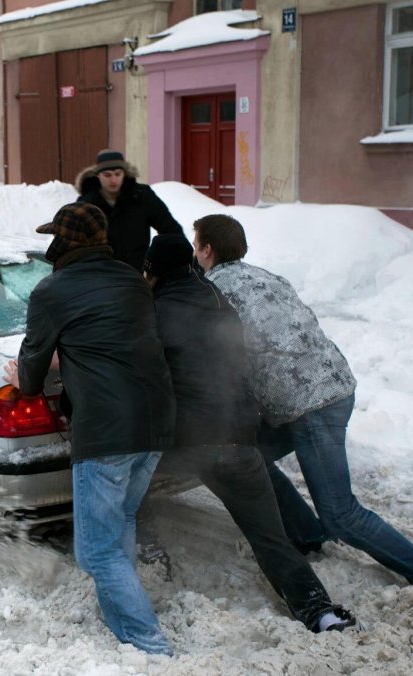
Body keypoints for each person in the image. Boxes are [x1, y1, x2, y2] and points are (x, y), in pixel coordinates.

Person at [192, 214, 413, 588]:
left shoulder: (214, 292)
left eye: (196, 245)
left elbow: (223, 354)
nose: (195, 253)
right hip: (334, 385)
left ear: (207, 249)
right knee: (249, 454)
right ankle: (307, 535)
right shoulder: (268, 276)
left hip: (311, 406)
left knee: (341, 513)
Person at [143, 233, 356, 632]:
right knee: (270, 537)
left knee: (122, 478)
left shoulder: (155, 313)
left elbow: (148, 380)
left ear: (152, 272)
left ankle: (151, 556)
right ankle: (319, 611)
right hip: (239, 438)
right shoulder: (219, 303)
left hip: (190, 442)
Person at [4, 202, 175, 655]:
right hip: (157, 421)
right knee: (121, 522)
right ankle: (121, 624)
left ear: (64, 243)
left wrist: (20, 375)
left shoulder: (51, 291)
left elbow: (31, 375)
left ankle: (151, 646)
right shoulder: (133, 281)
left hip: (107, 431)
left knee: (95, 551)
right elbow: (115, 339)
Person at [74, 149, 183, 271]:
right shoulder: (86, 203)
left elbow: (171, 230)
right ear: (98, 175)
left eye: (118, 173)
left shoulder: (141, 196)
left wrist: (164, 261)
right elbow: (73, 242)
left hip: (137, 273)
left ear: (124, 173)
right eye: (107, 175)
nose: (113, 180)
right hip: (101, 275)